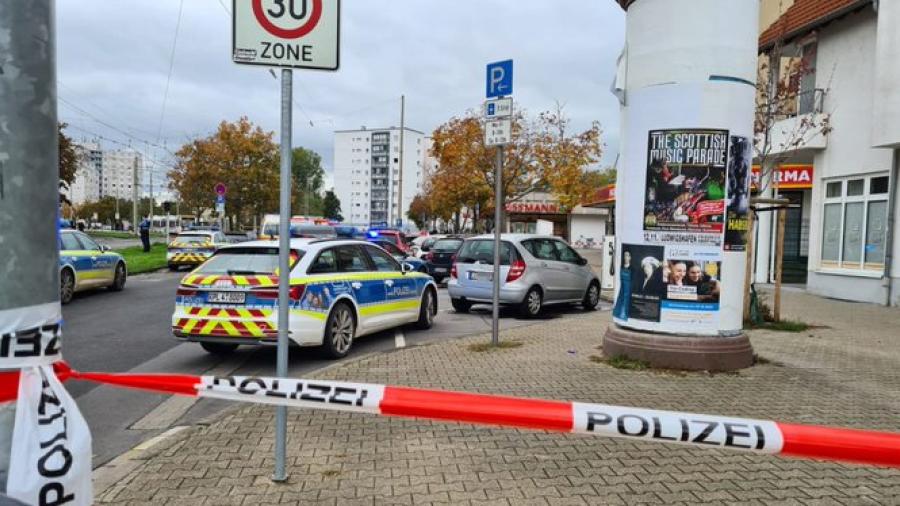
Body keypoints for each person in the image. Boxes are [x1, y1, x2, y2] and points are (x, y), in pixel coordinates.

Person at [612, 250, 632, 320]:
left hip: (627, 283)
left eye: (627, 255)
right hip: (622, 282)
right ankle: (618, 313)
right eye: (624, 255)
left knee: (626, 296)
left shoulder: (631, 268)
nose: (625, 257)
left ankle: (624, 314)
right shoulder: (621, 266)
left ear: (630, 257)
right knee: (620, 295)